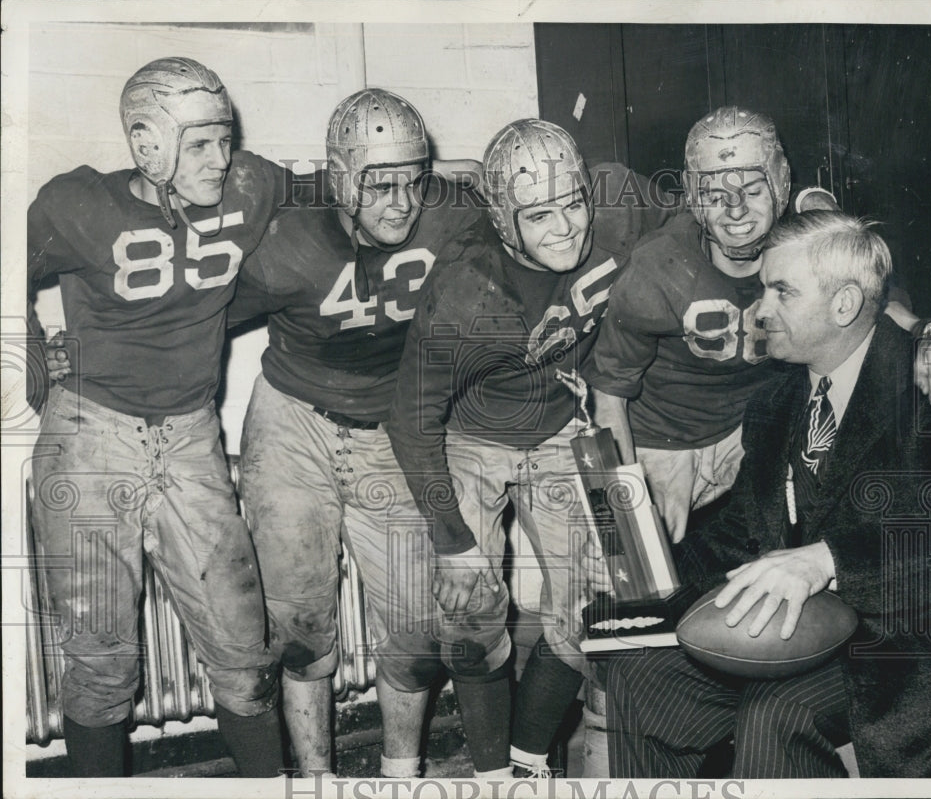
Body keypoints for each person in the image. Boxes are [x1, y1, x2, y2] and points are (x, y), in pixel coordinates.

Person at [606, 211, 931, 778]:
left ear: (845, 305)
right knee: (641, 678)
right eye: (761, 289)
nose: (759, 310)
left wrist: (825, 560)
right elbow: (744, 531)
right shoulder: (774, 401)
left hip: (905, 643)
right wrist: (642, 585)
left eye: (781, 291)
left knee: (774, 714)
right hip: (800, 629)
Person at [387, 119, 680, 777]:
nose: (566, 228)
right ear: (500, 219)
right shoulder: (464, 290)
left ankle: (527, 762)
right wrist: (452, 540)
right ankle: (492, 773)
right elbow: (410, 418)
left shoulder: (618, 201)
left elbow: (706, 218)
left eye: (573, 204)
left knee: (607, 601)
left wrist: (809, 207)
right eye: (539, 215)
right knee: (468, 611)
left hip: (566, 420)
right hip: (471, 437)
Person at [27, 57, 288, 777]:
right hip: (91, 438)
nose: (221, 158)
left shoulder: (253, 186)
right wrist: (28, 358)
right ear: (150, 143)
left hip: (191, 436)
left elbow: (314, 234)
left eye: (224, 138)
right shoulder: (79, 204)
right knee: (100, 662)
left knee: (243, 653)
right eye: (200, 143)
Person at [226, 88, 484, 778]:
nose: (401, 200)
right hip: (293, 427)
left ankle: (403, 775)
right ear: (339, 177)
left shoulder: (454, 214)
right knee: (300, 627)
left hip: (394, 430)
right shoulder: (287, 237)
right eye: (378, 182)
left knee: (414, 629)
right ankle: (316, 781)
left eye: (412, 178)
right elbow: (193, 317)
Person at [585, 106, 931, 545]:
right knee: (634, 568)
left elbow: (868, 301)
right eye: (716, 195)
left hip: (751, 432)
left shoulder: (802, 243)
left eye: (752, 191)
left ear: (778, 187)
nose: (735, 211)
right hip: (664, 436)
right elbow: (608, 396)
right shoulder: (657, 266)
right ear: (695, 199)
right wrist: (620, 497)